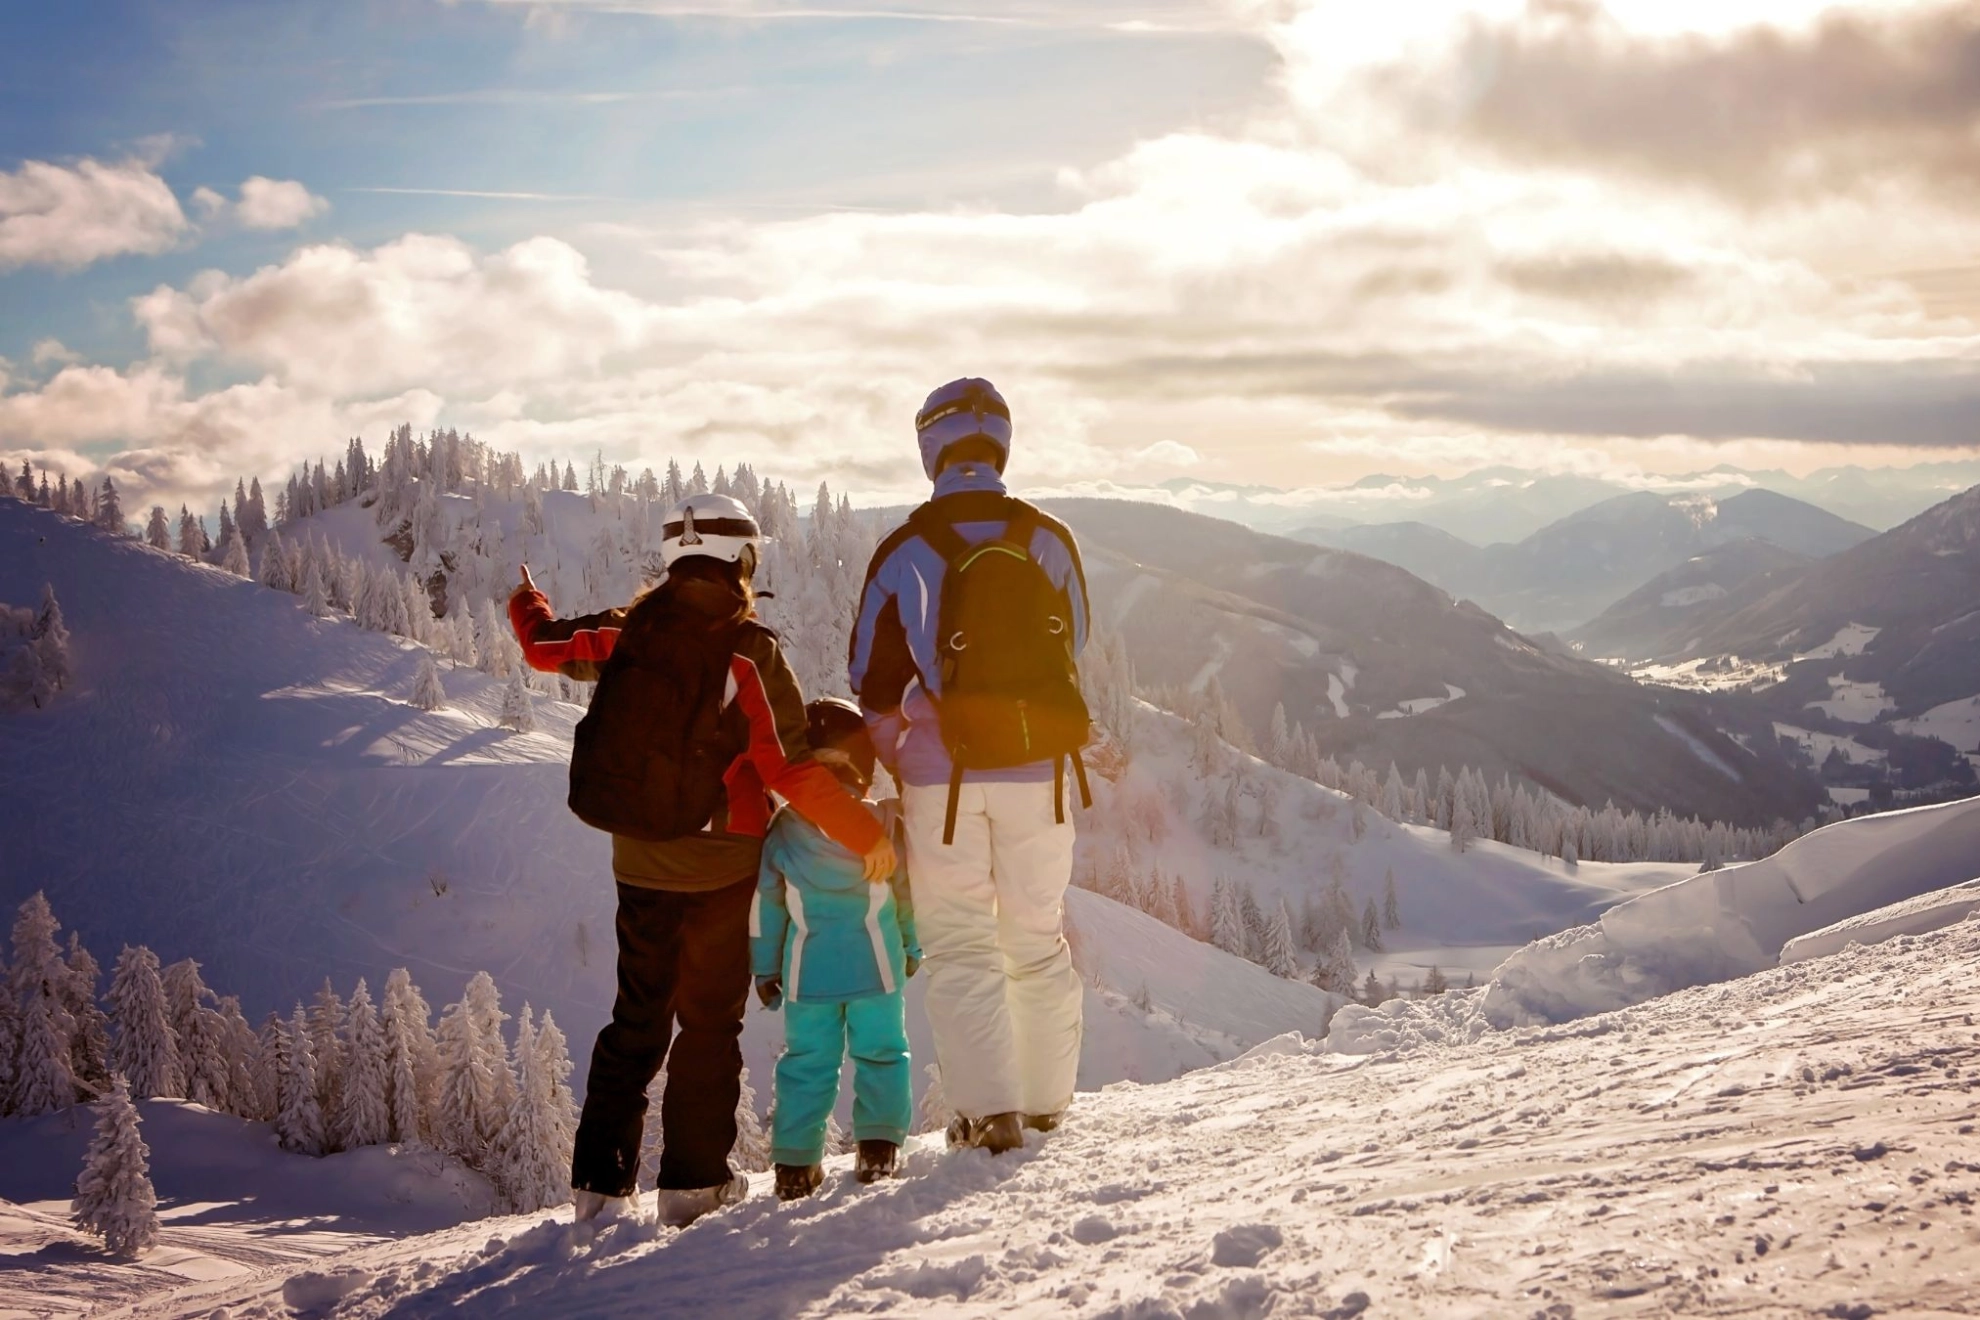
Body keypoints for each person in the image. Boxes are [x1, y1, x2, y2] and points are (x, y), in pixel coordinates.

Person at [510, 492, 895, 1227]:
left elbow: (543, 648)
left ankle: (599, 1186)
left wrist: (528, 602)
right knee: (709, 1023)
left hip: (638, 861)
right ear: (741, 560)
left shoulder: (627, 634)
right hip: (721, 866)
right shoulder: (747, 651)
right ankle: (692, 1186)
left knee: (635, 1018)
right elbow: (789, 768)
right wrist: (864, 834)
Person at [849, 377, 1091, 1155]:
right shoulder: (1048, 537)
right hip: (1041, 773)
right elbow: (1073, 644)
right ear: (1001, 444)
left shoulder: (904, 548)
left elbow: (870, 679)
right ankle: (1048, 1103)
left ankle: (991, 1115)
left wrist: (907, 754)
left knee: (960, 944)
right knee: (1037, 937)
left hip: (942, 781)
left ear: (931, 447)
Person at [751, 698, 920, 1200]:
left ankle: (796, 1166)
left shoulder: (782, 830)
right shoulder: (884, 826)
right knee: (883, 1055)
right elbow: (907, 895)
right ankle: (878, 1149)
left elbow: (767, 907)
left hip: (808, 975)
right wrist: (911, 945)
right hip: (879, 968)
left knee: (806, 1062)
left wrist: (765, 969)